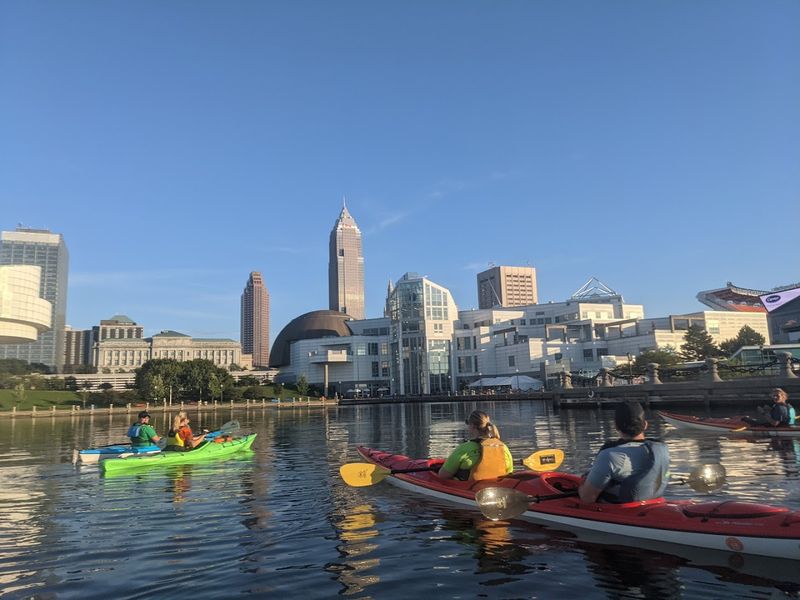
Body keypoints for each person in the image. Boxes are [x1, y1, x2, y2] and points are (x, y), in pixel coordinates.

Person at [578, 402, 670, 503]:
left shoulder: (610, 455)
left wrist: (583, 483)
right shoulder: (661, 449)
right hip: (654, 502)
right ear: (645, 425)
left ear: (616, 426)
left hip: (620, 511)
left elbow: (587, 498)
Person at [438, 410, 514, 481]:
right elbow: (509, 472)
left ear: (473, 426)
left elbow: (443, 475)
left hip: (469, 490)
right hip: (498, 489)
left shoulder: (464, 448)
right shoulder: (503, 447)